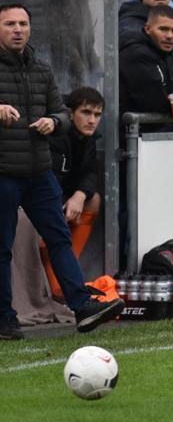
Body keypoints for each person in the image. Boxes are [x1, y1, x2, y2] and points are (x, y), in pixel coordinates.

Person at [1, 4, 125, 340]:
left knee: (59, 238)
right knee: (3, 247)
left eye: (23, 24)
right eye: (10, 23)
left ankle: (81, 306)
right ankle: (5, 317)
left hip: (39, 172)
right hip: (4, 173)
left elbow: (62, 113)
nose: (17, 29)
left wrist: (54, 121)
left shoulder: (42, 70)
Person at [38, 87, 105, 300]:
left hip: (64, 196)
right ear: (69, 113)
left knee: (93, 200)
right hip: (40, 197)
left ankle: (67, 275)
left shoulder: (89, 138)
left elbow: (90, 172)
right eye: (86, 113)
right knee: (45, 235)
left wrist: (79, 196)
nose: (92, 120)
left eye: (97, 115)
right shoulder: (56, 136)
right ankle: (58, 285)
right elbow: (48, 177)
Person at [119, 5, 173, 134]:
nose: (170, 36)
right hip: (140, 140)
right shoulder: (136, 54)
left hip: (164, 136)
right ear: (148, 29)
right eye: (163, 29)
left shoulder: (168, 52)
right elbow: (154, 103)